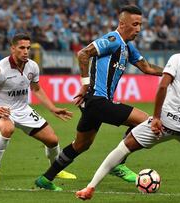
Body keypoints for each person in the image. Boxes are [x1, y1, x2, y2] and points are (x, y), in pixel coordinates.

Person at [75, 28, 180, 203]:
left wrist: (156, 117)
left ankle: (90, 187)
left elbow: (163, 86)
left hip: (166, 123)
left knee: (124, 147)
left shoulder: (177, 59)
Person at [34, 5, 163, 191]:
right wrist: (85, 84)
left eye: (140, 25)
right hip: (97, 100)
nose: (139, 29)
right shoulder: (112, 39)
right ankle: (118, 163)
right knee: (146, 122)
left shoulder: (128, 47)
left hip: (95, 104)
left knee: (81, 144)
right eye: (135, 24)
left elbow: (148, 68)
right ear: (122, 23)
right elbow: (83, 54)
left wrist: (170, 73)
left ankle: (46, 179)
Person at [0, 33, 77, 183]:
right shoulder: (0, 69)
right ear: (13, 48)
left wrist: (52, 108)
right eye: (22, 48)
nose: (26, 51)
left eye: (28, 48)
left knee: (52, 140)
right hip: (1, 109)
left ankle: (55, 170)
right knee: (7, 129)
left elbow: (36, 89)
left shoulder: (32, 66)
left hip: (23, 109)